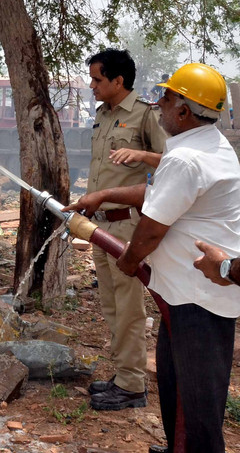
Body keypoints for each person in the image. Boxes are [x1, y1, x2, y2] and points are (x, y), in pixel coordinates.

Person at [67, 63, 240, 453]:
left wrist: (129, 260)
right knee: (176, 386)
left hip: (196, 301)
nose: (158, 104)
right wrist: (103, 196)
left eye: (166, 98)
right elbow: (162, 194)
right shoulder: (208, 145)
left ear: (183, 111)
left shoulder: (185, 158)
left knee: (196, 405)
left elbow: (151, 227)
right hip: (187, 298)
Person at [80, 49, 166, 411]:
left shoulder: (146, 116)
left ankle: (132, 386)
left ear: (118, 81)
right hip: (101, 227)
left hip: (128, 226)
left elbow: (175, 163)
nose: (92, 85)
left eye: (98, 79)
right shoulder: (103, 116)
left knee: (129, 308)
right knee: (112, 306)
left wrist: (144, 157)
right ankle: (122, 376)